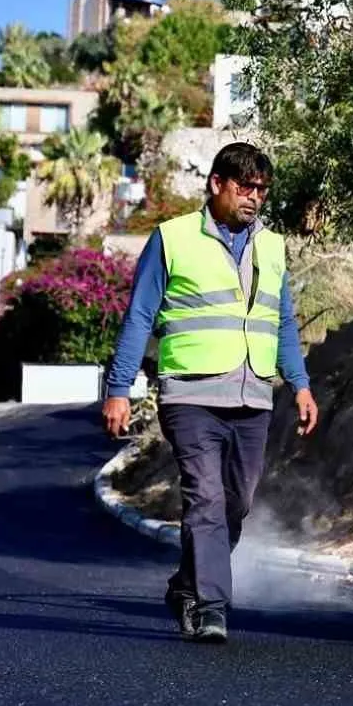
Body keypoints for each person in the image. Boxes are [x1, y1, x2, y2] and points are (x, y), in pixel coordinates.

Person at [101, 142, 319, 645]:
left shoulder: (272, 246)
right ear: (217, 184)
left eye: (262, 190)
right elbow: (139, 316)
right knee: (206, 496)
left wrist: (301, 385)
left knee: (236, 504)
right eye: (245, 187)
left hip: (253, 395)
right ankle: (210, 607)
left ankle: (186, 584)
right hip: (190, 394)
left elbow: (281, 320)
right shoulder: (173, 238)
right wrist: (119, 389)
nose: (255, 198)